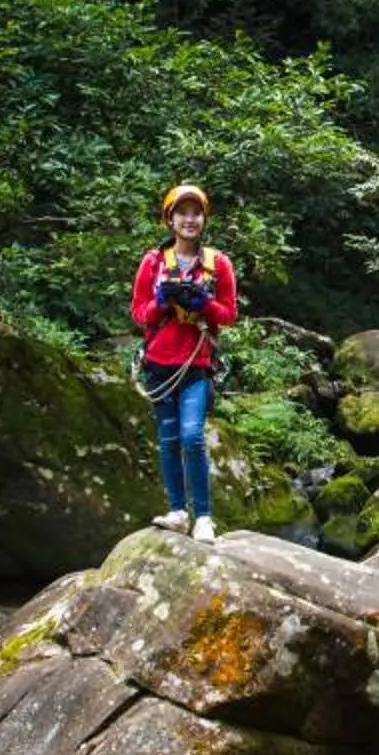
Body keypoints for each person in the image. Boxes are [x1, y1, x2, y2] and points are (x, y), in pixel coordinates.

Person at [130, 182, 238, 540]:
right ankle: (178, 511)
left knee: (192, 436)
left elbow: (229, 314)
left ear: (204, 219)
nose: (189, 220)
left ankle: (203, 517)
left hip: (196, 363)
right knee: (169, 439)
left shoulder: (217, 264)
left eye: (196, 213)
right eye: (182, 213)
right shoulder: (153, 263)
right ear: (170, 219)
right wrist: (162, 302)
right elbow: (138, 313)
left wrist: (201, 303)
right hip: (159, 364)